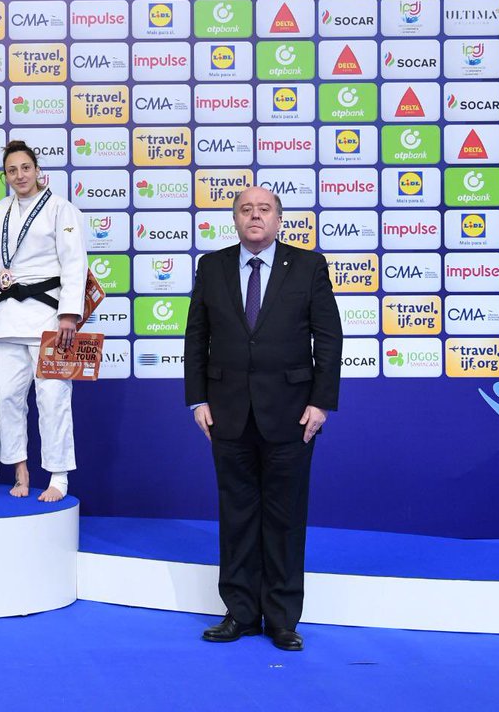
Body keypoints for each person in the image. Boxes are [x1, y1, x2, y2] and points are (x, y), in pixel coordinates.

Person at [183, 185, 342, 652]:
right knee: (236, 516)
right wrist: (197, 400)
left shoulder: (309, 266)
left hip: (293, 415)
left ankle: (282, 618)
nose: (255, 216)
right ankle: (239, 612)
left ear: (278, 219)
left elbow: (328, 338)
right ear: (234, 219)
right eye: (245, 209)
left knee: (286, 517)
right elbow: (197, 337)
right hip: (226, 413)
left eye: (264, 209)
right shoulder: (211, 267)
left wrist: (320, 402)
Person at [0, 140, 88, 502]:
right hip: (8, 318)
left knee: (53, 398)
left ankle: (58, 475)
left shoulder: (61, 209)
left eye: (25, 168)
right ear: (5, 175)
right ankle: (20, 469)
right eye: (12, 170)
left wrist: (68, 315)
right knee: (7, 399)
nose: (19, 176)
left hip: (49, 317)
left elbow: (75, 263)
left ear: (37, 169)